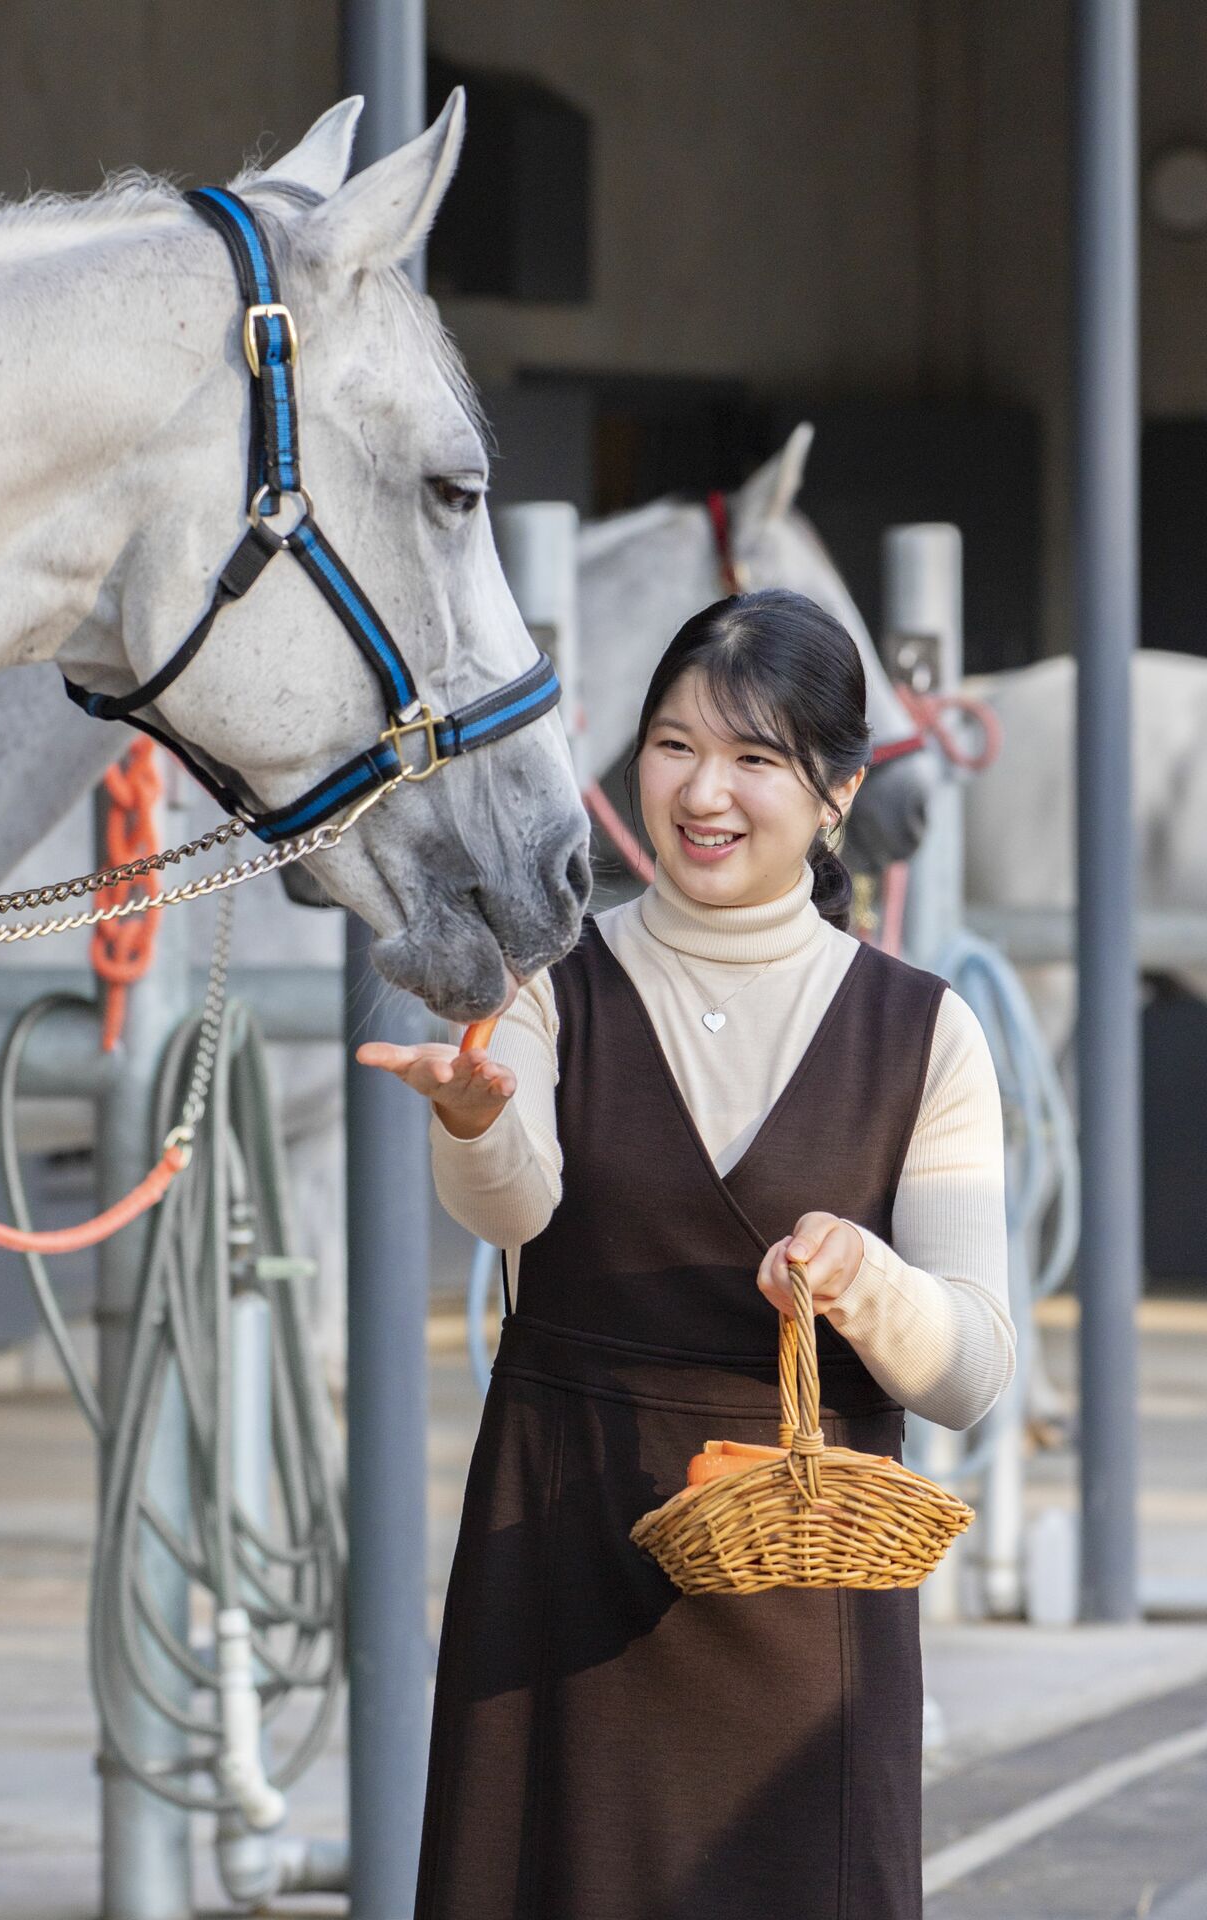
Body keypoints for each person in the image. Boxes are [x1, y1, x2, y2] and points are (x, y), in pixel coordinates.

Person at [357, 588, 1014, 1920]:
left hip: (802, 1619)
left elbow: (973, 1371)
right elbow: (515, 1205)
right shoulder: (551, 979)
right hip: (560, 1573)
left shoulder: (925, 1035)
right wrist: (476, 1120)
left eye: (757, 758)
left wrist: (870, 1284)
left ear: (839, 791)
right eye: (674, 745)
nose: (704, 790)